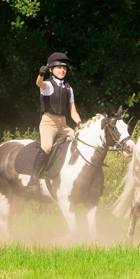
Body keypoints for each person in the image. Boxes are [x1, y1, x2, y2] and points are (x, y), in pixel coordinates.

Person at [28, 52, 82, 192]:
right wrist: (41, 74)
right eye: (59, 67)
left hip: (63, 124)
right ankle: (33, 180)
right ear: (51, 70)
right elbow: (38, 83)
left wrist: (81, 125)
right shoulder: (47, 85)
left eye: (64, 68)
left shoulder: (69, 88)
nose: (62, 70)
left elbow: (73, 112)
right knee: (46, 147)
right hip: (48, 123)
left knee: (81, 140)